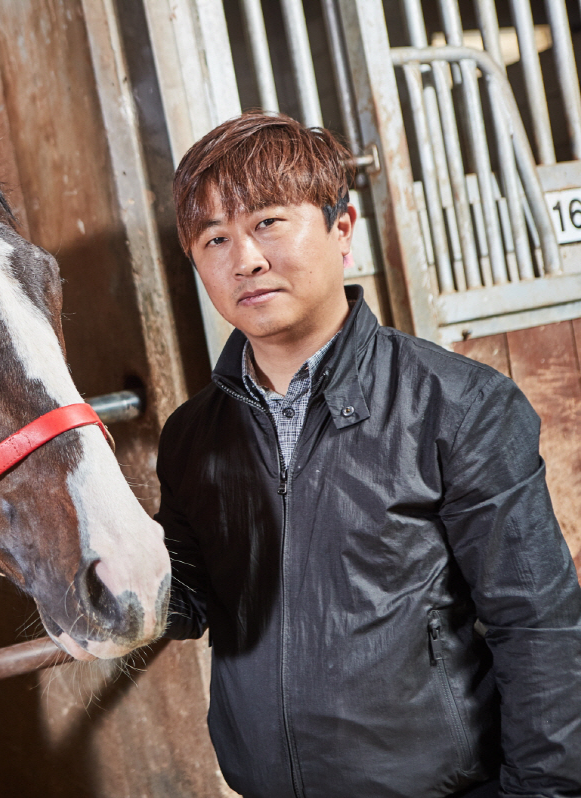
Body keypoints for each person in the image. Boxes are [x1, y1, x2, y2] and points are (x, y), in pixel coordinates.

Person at [157, 112, 581, 798]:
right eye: (215, 239)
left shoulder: (458, 405)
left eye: (269, 222)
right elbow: (186, 602)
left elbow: (538, 624)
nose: (246, 260)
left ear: (342, 230)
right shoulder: (190, 437)